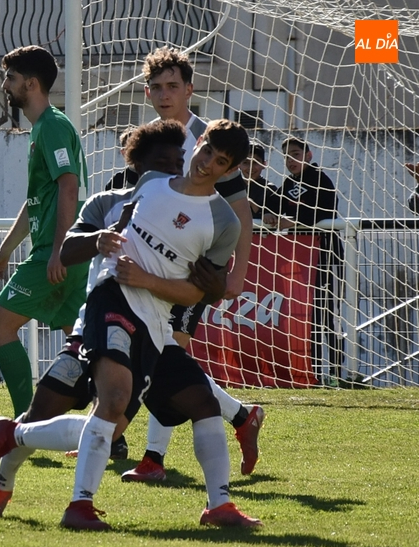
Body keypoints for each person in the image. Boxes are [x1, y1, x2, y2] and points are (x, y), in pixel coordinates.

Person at [0, 120, 262, 530]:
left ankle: (218, 504)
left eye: (217, 162)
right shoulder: (122, 198)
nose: (193, 164)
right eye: (198, 154)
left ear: (228, 167)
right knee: (65, 408)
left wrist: (202, 282)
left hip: (155, 329)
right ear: (139, 163)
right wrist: (100, 240)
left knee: (198, 402)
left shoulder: (220, 220)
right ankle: (13, 486)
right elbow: (69, 251)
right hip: (103, 314)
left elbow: (200, 292)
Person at [117, 47, 263, 484]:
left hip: (195, 273)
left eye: (173, 86)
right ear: (147, 93)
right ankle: (241, 415)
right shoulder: (153, 140)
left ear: (189, 89)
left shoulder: (209, 140)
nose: (165, 95)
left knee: (167, 353)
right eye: (157, 88)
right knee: (160, 356)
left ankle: (152, 459)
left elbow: (241, 213)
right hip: (154, 269)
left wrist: (234, 275)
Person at [0, 45, 88, 418]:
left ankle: (25, 422)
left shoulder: (53, 126)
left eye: (10, 78)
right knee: (82, 344)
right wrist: (6, 250)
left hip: (55, 253)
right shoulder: (43, 128)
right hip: (62, 251)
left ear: (31, 83)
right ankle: (112, 432)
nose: (3, 85)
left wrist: (58, 249)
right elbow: (38, 202)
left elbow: (69, 186)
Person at [263, 137, 342, 380]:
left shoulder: (321, 180)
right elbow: (273, 205)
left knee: (325, 314)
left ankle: (338, 372)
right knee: (304, 316)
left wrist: (294, 219)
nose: (291, 160)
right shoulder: (287, 183)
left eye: (296, 154)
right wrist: (269, 215)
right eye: (286, 156)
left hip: (324, 255)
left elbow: (326, 211)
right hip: (298, 259)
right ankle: (313, 372)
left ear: (308, 155)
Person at [241, 140, 278, 220]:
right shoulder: (231, 187)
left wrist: (252, 204)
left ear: (264, 164)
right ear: (238, 164)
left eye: (255, 162)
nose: (250, 167)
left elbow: (272, 219)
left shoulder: (270, 190)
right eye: (245, 162)